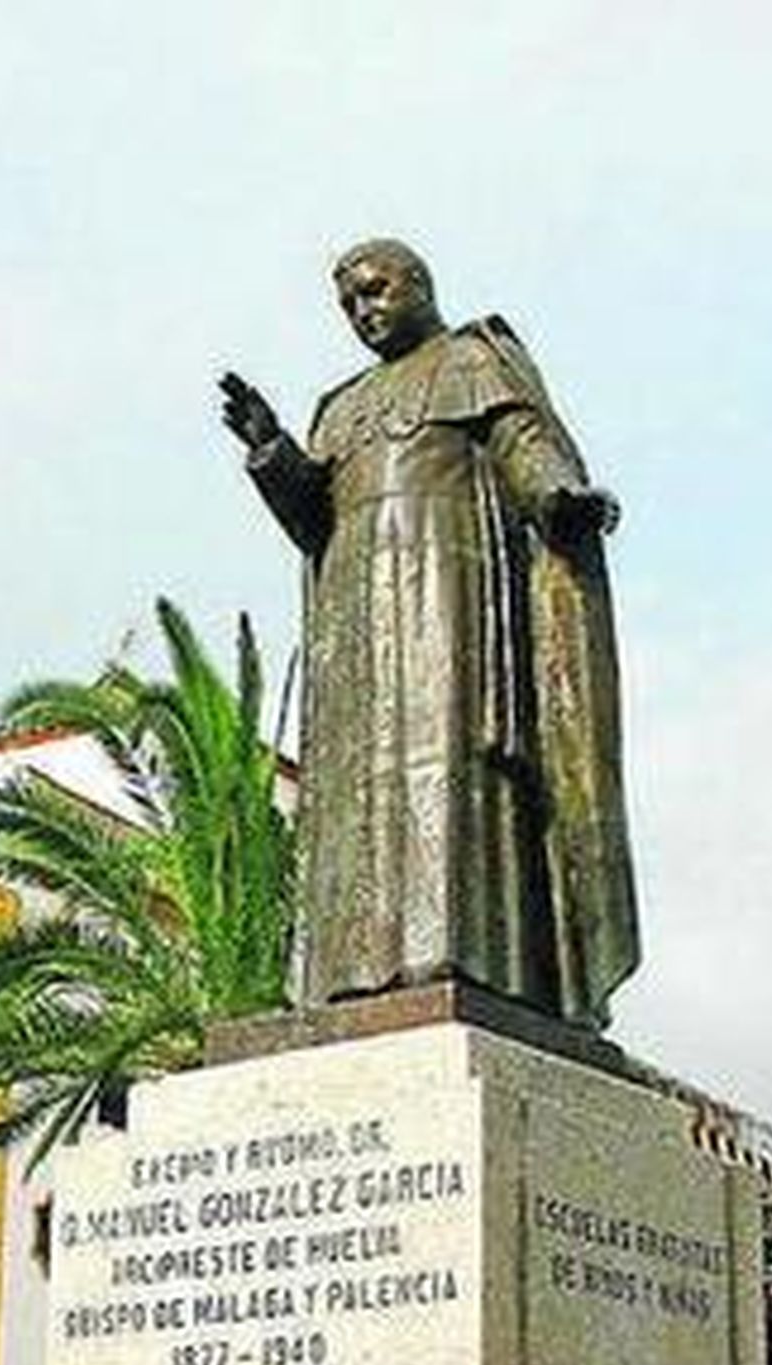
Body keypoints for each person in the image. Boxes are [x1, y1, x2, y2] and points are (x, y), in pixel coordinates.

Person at [220, 239, 638, 1029]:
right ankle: (357, 975)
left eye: (374, 293)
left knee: (452, 771)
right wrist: (272, 452)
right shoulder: (341, 405)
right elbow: (315, 519)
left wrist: (564, 500)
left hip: (452, 602)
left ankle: (474, 963)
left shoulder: (473, 361)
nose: (362, 313)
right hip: (358, 619)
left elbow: (526, 452)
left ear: (418, 284)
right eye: (348, 305)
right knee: (359, 789)